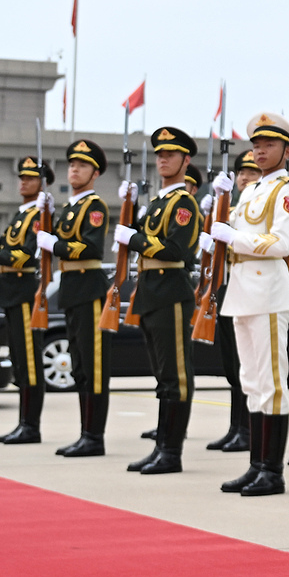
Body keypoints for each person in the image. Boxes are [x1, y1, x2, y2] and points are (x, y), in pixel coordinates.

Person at [209, 115, 289, 495]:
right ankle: (255, 465)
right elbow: (227, 233)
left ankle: (272, 471)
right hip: (242, 289)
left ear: (286, 150)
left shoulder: (287, 189)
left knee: (271, 383)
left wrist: (234, 237)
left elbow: (280, 243)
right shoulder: (251, 190)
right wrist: (217, 207)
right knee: (250, 381)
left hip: (267, 290)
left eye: (268, 145)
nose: (260, 150)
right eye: (256, 145)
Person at [126, 127, 203, 474]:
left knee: (176, 375)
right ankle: (161, 446)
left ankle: (172, 451)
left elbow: (178, 250)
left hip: (171, 291)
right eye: (159, 154)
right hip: (150, 291)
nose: (163, 159)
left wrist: (135, 239)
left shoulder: (183, 202)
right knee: (161, 376)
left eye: (170, 154)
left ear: (186, 160)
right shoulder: (158, 203)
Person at [0, 157, 55, 444]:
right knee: (18, 359)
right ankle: (23, 422)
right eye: (21, 178)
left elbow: (26, 255)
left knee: (29, 361)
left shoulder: (39, 217)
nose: (23, 182)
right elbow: (4, 245)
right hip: (11, 291)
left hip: (26, 291)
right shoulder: (20, 215)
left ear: (42, 183)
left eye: (30, 178)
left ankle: (31, 426)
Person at [50, 139, 113, 457]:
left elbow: (90, 248)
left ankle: (94, 437)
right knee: (79, 366)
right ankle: (85, 433)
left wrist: (55, 244)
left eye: (83, 165)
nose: (75, 169)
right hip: (73, 287)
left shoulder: (95, 207)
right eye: (72, 165)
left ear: (95, 173)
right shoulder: (69, 208)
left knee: (93, 364)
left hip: (89, 287)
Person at [202, 150, 261, 454]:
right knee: (231, 366)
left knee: (246, 366)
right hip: (228, 289)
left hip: (251, 290)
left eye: (250, 172)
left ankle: (248, 430)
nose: (244, 178)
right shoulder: (234, 209)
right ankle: (236, 427)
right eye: (241, 173)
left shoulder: (258, 209)